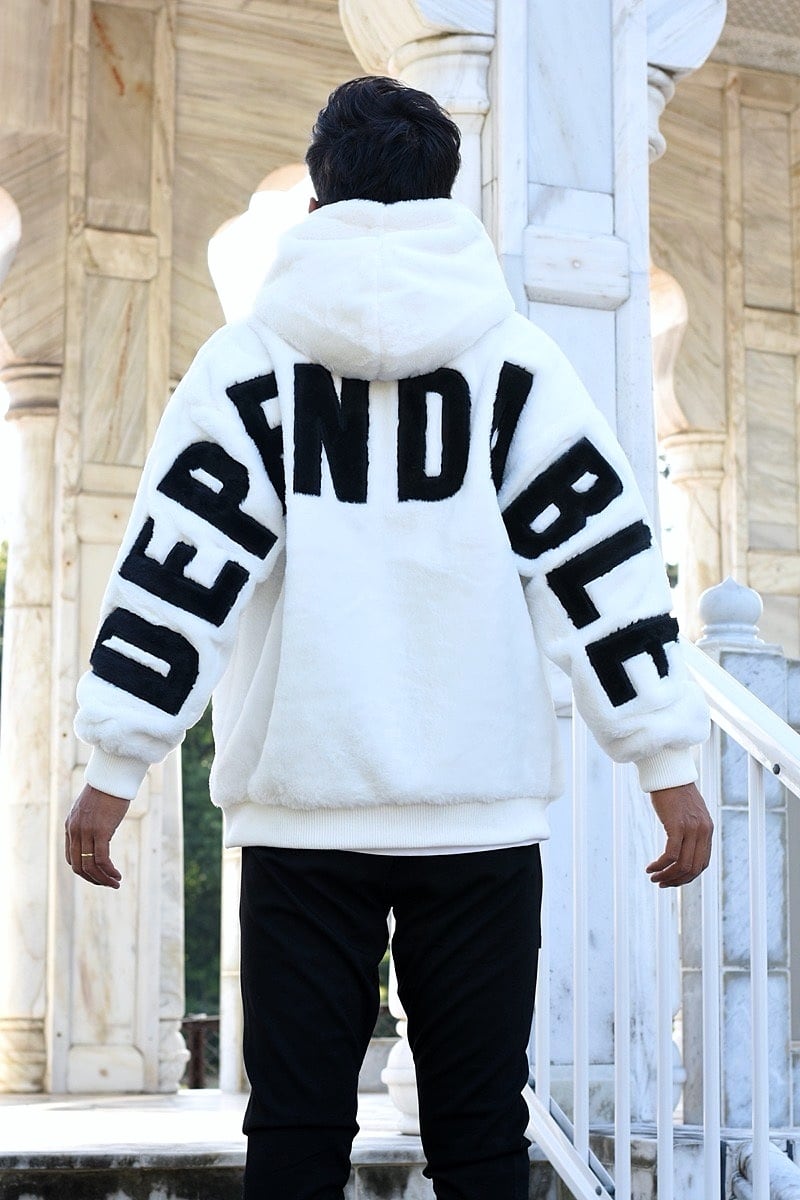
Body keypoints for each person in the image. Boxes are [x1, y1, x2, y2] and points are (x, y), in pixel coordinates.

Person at [66, 76, 713, 1200]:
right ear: (444, 193)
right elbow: (597, 560)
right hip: (479, 817)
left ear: (319, 193)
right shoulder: (514, 365)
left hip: (301, 815)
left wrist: (115, 764)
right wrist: (666, 761)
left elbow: (180, 570)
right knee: (480, 1134)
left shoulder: (248, 365)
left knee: (295, 1133)